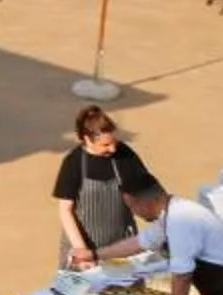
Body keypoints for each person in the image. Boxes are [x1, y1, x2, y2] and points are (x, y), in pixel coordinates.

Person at [51, 106, 157, 269]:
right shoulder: (73, 162)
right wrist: (82, 251)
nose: (113, 149)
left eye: (114, 142)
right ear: (87, 139)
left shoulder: (124, 154)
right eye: (105, 145)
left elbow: (148, 191)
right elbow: (65, 210)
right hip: (84, 249)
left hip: (122, 246)